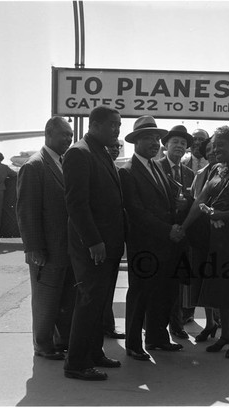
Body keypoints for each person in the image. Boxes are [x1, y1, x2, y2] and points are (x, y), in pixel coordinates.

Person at [181, 126, 229, 358]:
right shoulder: (216, 168)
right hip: (216, 237)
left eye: (221, 145)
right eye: (214, 146)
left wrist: (222, 215)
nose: (216, 149)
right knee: (218, 287)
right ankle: (224, 334)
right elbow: (201, 199)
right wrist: (184, 227)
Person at [62, 106, 125, 381]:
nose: (117, 130)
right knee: (89, 302)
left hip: (108, 245)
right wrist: (94, 241)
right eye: (113, 124)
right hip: (93, 246)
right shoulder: (80, 152)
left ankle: (95, 352)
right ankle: (76, 363)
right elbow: (77, 204)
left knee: (101, 302)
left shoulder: (100, 151)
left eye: (119, 125)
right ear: (95, 124)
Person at [119, 115, 185, 361]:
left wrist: (179, 207)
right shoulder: (127, 172)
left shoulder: (158, 167)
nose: (155, 143)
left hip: (166, 244)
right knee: (139, 294)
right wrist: (167, 229)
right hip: (144, 245)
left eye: (157, 138)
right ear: (136, 141)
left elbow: (167, 201)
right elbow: (136, 212)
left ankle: (157, 338)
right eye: (148, 138)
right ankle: (133, 344)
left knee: (163, 293)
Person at [16, 116, 76, 360]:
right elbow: (26, 211)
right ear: (49, 134)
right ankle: (43, 345)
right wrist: (34, 248)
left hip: (66, 248)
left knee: (63, 299)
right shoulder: (34, 166)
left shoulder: (64, 163)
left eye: (71, 137)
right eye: (64, 135)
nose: (68, 140)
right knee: (45, 300)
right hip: (46, 250)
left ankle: (59, 341)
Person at [157, 125, 195, 340]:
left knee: (177, 285)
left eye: (183, 143)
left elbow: (194, 202)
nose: (179, 146)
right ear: (166, 145)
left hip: (181, 236)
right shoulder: (156, 167)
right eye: (175, 142)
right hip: (162, 234)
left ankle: (176, 325)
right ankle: (156, 328)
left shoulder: (189, 173)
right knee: (159, 284)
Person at [186, 137, 221, 342]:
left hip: (220, 232)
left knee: (219, 279)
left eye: (215, 148)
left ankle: (224, 325)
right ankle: (210, 322)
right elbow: (194, 200)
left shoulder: (228, 170)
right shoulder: (199, 174)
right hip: (201, 233)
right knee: (203, 280)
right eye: (208, 149)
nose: (212, 152)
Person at [102, 137, 126, 340]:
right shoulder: (97, 168)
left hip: (114, 240)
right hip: (98, 241)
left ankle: (107, 325)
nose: (115, 150)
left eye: (117, 147)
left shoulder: (117, 170)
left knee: (109, 287)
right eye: (111, 146)